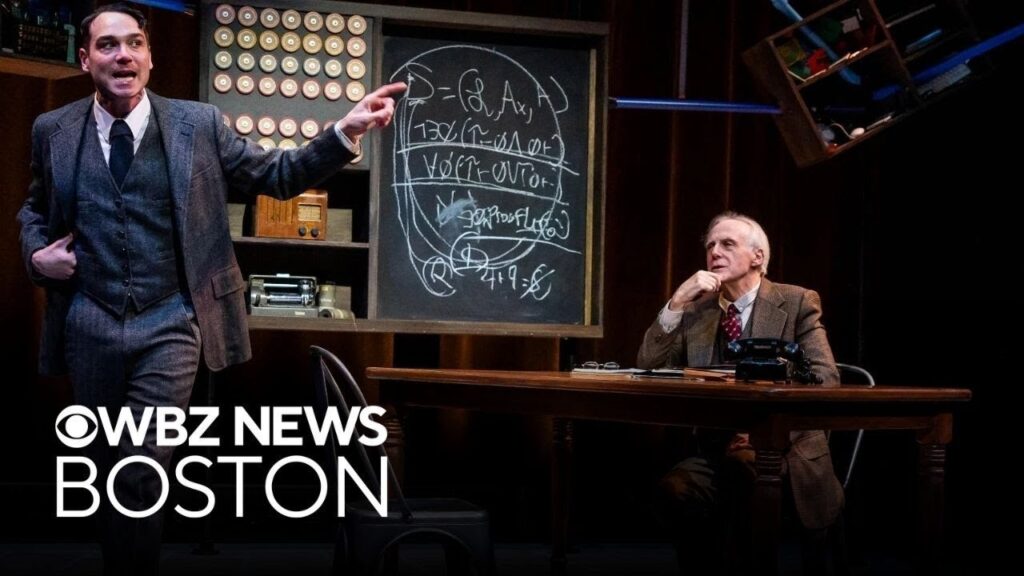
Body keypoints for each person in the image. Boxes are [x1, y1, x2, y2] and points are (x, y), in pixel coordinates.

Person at [16, 4, 406, 574]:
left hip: (170, 321)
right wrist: (36, 256)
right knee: (103, 469)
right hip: (89, 320)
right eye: (107, 45)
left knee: (142, 465)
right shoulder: (53, 129)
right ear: (85, 59)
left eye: (134, 44)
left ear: (150, 57)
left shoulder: (197, 124)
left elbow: (276, 175)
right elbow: (34, 209)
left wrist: (343, 132)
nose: (123, 55)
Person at [637, 211, 844, 574]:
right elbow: (649, 366)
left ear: (757, 257)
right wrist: (676, 303)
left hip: (784, 449)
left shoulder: (796, 301)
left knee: (744, 470)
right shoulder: (699, 311)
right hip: (716, 450)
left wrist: (769, 433)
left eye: (727, 244)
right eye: (710, 246)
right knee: (675, 489)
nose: (714, 252)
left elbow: (825, 379)